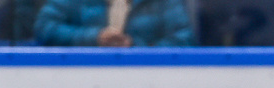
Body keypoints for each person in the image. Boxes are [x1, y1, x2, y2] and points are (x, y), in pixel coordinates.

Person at [33, 0, 194, 47]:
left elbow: (183, 39)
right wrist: (94, 38)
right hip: (82, 80)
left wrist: (135, 47)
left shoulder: (165, 3)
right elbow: (45, 28)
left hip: (146, 83)